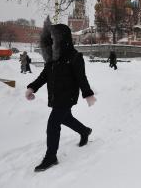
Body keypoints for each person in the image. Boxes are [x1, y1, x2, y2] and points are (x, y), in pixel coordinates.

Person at [25, 24, 97, 172]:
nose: (52, 39)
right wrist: (32, 87)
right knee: (65, 118)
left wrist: (88, 94)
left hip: (67, 96)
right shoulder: (53, 57)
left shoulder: (75, 57)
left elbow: (81, 78)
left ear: (62, 38)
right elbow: (44, 75)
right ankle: (84, 131)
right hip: (55, 95)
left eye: (54, 36)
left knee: (53, 123)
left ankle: (51, 156)